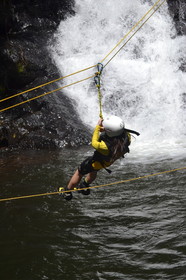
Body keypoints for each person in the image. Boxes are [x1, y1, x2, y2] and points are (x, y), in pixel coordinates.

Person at [60, 115, 139, 200]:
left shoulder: (105, 147)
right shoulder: (126, 136)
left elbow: (94, 143)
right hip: (106, 162)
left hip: (97, 161)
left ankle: (67, 192)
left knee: (79, 172)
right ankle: (85, 184)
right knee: (93, 171)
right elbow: (114, 135)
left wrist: (97, 127)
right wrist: (105, 130)